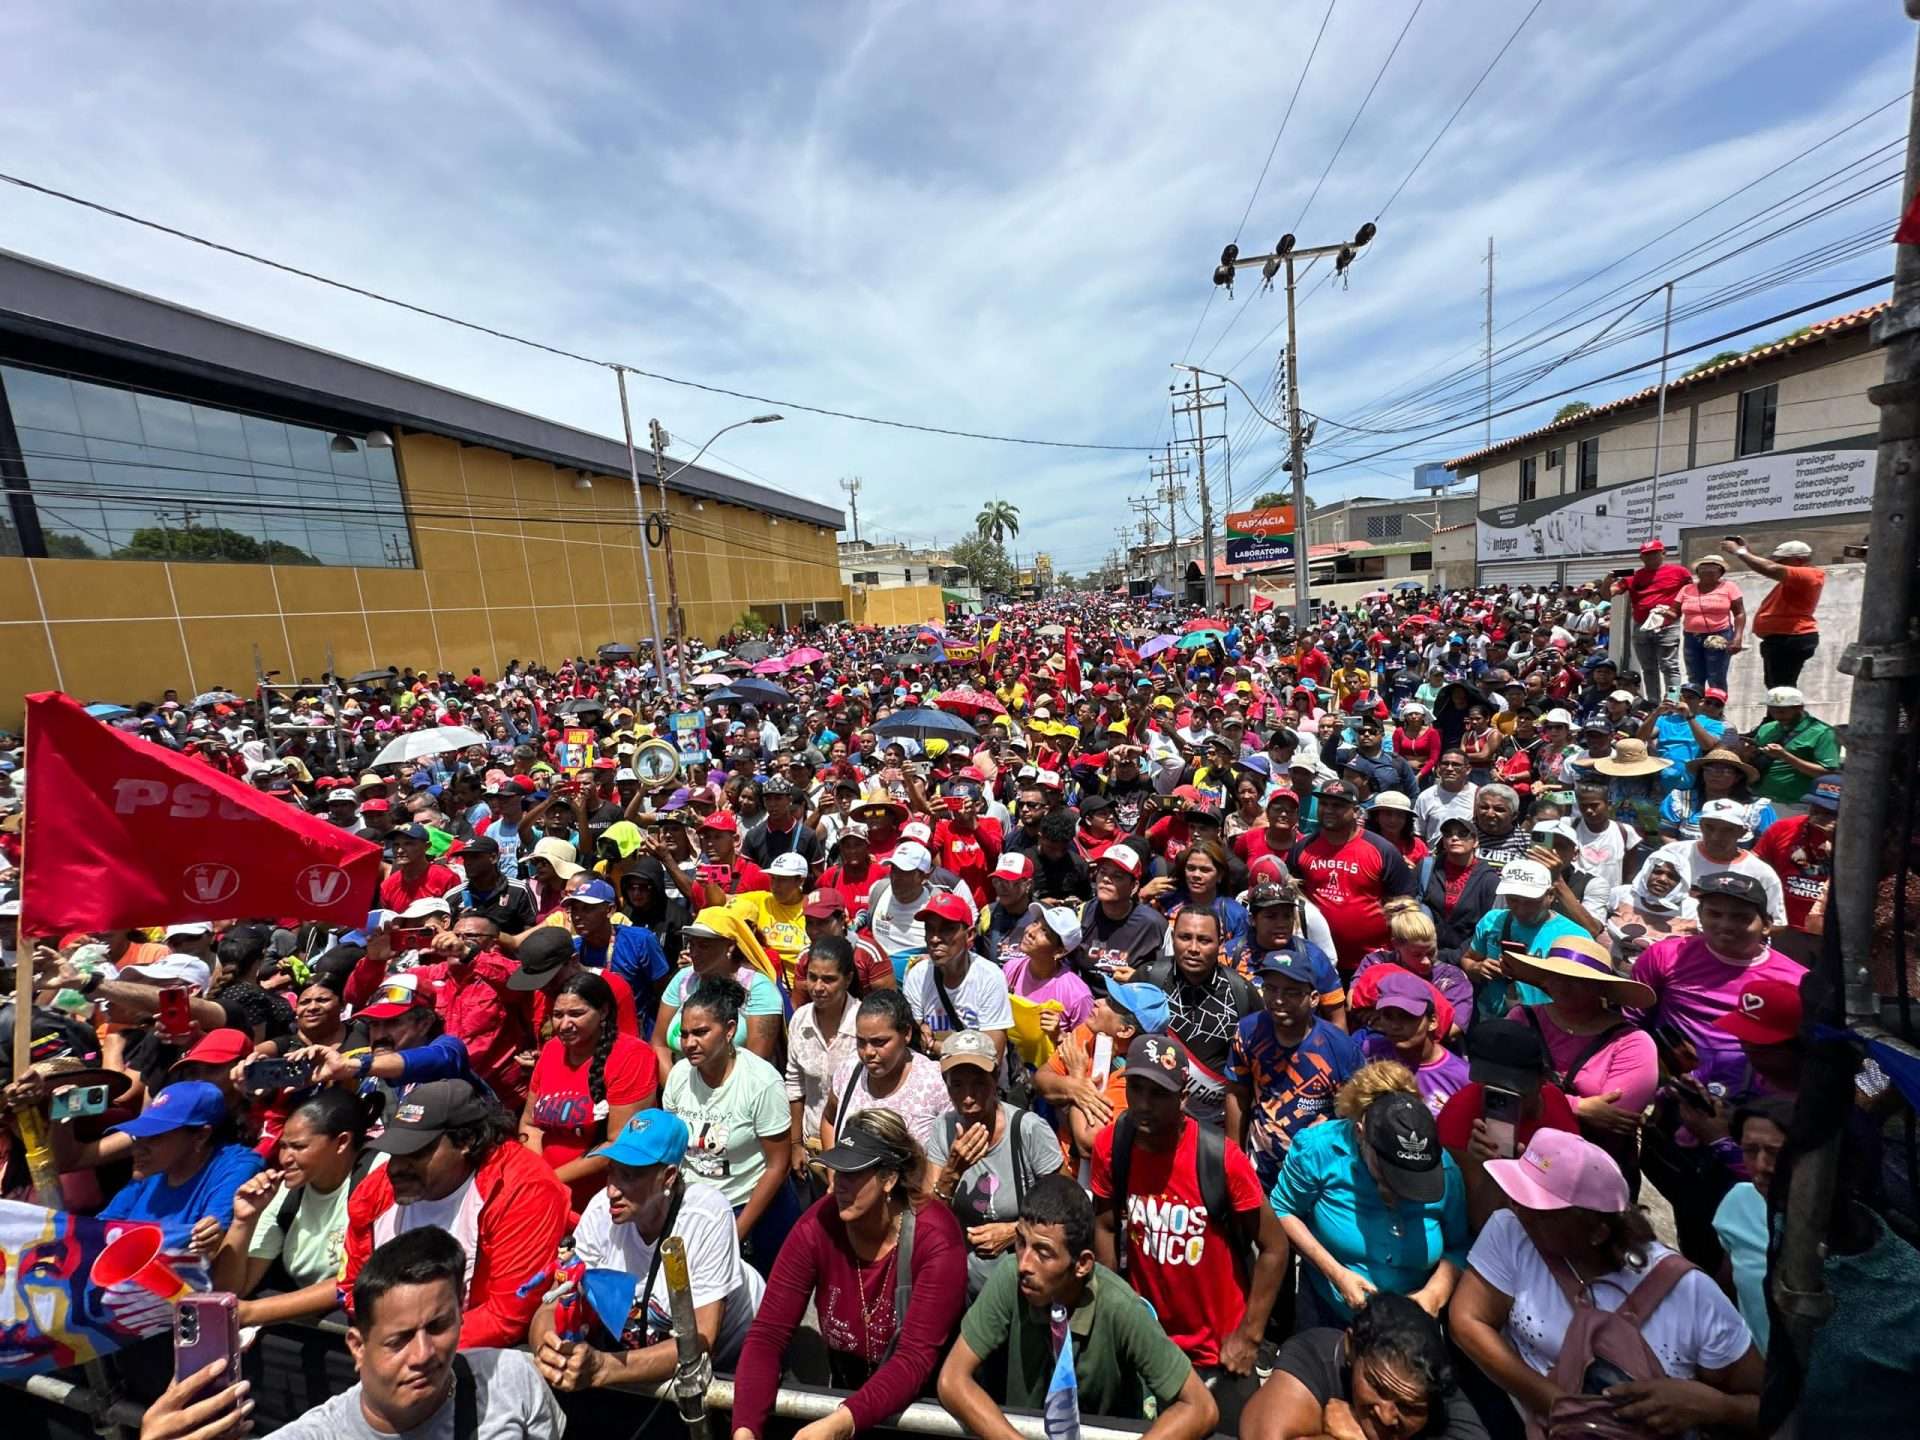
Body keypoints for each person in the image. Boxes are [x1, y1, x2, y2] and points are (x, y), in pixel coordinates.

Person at [1449, 1129, 1760, 1435]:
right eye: (1519, 1195)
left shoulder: (1691, 1294)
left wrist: (1714, 1407)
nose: (1518, 1208)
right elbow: (1468, 1320)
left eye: (1540, 1210)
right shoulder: (1512, 1230)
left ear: (1597, 1232)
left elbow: (1763, 1406)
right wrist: (1561, 1406)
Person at [730, 1109, 969, 1440]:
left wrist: (837, 1424)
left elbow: (914, 1359)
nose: (839, 1184)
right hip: (849, 1397)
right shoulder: (818, 1225)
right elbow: (768, 1334)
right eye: (838, 1170)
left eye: (854, 1173)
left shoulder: (937, 1238)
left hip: (924, 1410)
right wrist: (745, 1429)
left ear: (889, 1179)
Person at [1091, 1034, 1289, 1430]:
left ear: (1183, 1097)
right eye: (1136, 1088)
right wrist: (1115, 1314)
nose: (1144, 1105)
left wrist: (1250, 1335)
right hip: (1148, 1345)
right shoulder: (1113, 1144)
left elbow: (1274, 1247)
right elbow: (1105, 1225)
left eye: (1159, 1093)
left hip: (1219, 1352)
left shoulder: (1221, 1159)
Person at [939, 1173, 1218, 1440]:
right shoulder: (1009, 1279)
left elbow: (1201, 1408)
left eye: (1043, 1253)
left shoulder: (1121, 1307)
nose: (1024, 1264)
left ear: (1083, 1264)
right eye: (1021, 1242)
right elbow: (952, 1380)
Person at [242, 1226, 564, 1440]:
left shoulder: (514, 1379)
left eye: (439, 1327)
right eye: (399, 1340)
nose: (423, 1354)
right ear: (357, 1347)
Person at [530, 1109, 763, 1395]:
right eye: (611, 1171)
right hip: (643, 1348)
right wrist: (547, 1347)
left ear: (668, 1176)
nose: (612, 1190)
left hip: (736, 1353)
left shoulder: (707, 1215)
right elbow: (553, 1300)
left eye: (629, 1176)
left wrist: (604, 1367)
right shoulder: (600, 1209)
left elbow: (702, 1338)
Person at [342, 1078, 571, 1349]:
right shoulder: (376, 1191)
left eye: (416, 1151)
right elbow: (353, 1290)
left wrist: (405, 1346)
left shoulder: (525, 1189)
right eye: (394, 1151)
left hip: (486, 1354)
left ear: (466, 1142)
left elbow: (506, 1317)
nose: (397, 1167)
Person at [1270, 1064, 1469, 1329]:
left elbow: (1459, 1245)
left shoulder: (1443, 1170)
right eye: (1387, 1170)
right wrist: (1335, 1272)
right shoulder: (1318, 1150)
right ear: (1361, 1134)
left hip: (1409, 1325)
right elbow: (1283, 1210)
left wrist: (1433, 1296)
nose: (1399, 1186)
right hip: (1328, 1312)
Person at [662, 975, 799, 1275]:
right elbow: (672, 1148)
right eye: (684, 1034)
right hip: (695, 1209)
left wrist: (736, 1232)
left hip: (753, 1213)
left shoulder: (761, 1083)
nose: (689, 1043)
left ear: (729, 1031)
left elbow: (778, 1165)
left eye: (701, 1032)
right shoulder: (679, 1075)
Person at [209, 1088, 376, 1326]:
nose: (285, 1157)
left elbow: (356, 1279)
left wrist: (252, 1313)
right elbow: (230, 1290)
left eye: (298, 1147)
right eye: (284, 1146)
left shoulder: (377, 1178)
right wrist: (243, 1220)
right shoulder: (285, 1193)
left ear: (341, 1142)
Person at [1241, 1292, 1491, 1440]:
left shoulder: (1450, 1412)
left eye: (1407, 1407)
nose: (1386, 1415)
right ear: (1351, 1347)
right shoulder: (1319, 1355)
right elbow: (1258, 1434)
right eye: (1378, 1387)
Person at [1502, 935, 1659, 1170]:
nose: (1564, 985)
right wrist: (1579, 1108)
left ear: (1601, 987)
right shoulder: (1521, 1019)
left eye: (1578, 980)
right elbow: (1498, 1090)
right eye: (1557, 976)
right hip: (1517, 1157)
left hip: (1591, 1170)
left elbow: (1613, 1119)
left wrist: (1530, 1100)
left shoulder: (1632, 1043)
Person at [926, 1029, 1064, 1295]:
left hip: (1022, 1285)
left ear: (995, 1078)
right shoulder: (943, 1129)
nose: (968, 1096)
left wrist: (1017, 1230)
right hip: (959, 1283)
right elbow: (927, 1219)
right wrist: (952, 1172)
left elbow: (1066, 1207)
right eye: (957, 1084)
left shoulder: (1028, 1130)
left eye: (978, 1083)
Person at [1225, 946, 1363, 1192]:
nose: (1278, 1000)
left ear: (1313, 999)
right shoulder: (1248, 1032)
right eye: (1271, 989)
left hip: (1321, 1176)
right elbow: (1237, 1093)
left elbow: (1355, 1114)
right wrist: (1233, 1159)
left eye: (1291, 992)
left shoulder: (1340, 1048)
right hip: (1261, 1173)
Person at [520, 970, 658, 1210]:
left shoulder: (632, 1056)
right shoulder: (552, 1050)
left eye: (576, 1014)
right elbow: (529, 1124)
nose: (564, 1024)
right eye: (557, 1015)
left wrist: (548, 1180)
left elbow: (618, 1144)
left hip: (605, 1202)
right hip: (545, 1194)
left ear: (603, 1012)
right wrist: (537, 1174)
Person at [100, 1080, 267, 1246]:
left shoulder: (237, 1166)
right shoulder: (150, 1169)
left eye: (155, 1136)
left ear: (201, 1136)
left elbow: (207, 1248)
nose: (137, 1149)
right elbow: (101, 1231)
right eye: (138, 1137)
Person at [1290, 779, 1416, 971]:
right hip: (1316, 961)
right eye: (1324, 804)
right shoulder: (1303, 848)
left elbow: (1404, 907)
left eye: (1338, 805)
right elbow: (1293, 897)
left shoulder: (1382, 850)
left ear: (1356, 811)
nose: (1329, 810)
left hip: (1372, 962)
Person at [651, 908, 786, 1077]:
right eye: (691, 943)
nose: (694, 952)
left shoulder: (759, 989)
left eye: (704, 945)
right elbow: (659, 1044)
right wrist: (675, 1091)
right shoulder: (683, 979)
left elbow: (756, 1063)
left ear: (730, 945)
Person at [822, 988, 952, 1148]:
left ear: (906, 1034)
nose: (868, 1052)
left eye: (880, 1042)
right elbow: (829, 1119)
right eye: (861, 1042)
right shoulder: (848, 1071)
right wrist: (833, 1171)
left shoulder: (936, 1083)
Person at [1457, 858, 1583, 1023]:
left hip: (1545, 1027)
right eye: (1513, 900)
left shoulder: (1574, 936)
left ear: (1550, 895)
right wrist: (1477, 968)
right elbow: (1468, 959)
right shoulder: (1493, 921)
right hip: (1490, 1019)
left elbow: (1581, 994)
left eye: (1531, 902)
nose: (1521, 909)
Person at [1711, 1097, 1790, 1356]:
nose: (1761, 1166)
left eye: (1776, 1153)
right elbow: (1726, 1289)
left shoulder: (1846, 1227)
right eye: (1750, 1150)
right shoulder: (1740, 1201)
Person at [903, 891, 1014, 1060]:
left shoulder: (989, 977)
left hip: (978, 1081)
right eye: (929, 929)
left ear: (969, 935)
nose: (934, 939)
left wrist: (937, 1046)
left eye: (946, 930)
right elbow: (913, 1038)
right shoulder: (918, 975)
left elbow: (993, 1057)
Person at [787, 933, 862, 1177]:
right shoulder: (799, 1019)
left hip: (857, 1148)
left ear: (848, 979)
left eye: (828, 980)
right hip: (813, 1145)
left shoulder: (863, 1021)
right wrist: (795, 1144)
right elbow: (795, 1085)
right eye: (812, 978)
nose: (818, 988)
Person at [1644, 801, 1787, 926]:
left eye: (1728, 830)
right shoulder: (1673, 852)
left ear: (1743, 833)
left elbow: (1776, 924)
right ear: (1701, 825)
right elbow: (1641, 893)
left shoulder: (1761, 873)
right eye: (1710, 827)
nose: (1716, 836)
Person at [1751, 771, 1839, 965]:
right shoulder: (1783, 828)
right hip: (1786, 928)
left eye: (1830, 811)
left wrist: (1839, 842)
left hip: (1834, 931)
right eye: (1816, 807)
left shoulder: (1858, 839)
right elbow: (1755, 868)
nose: (1820, 815)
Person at [1722, 534, 1823, 687]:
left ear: (1798, 560)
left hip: (1790, 638)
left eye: (1782, 562)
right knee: (1777, 686)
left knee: (1781, 689)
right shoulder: (1796, 578)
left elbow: (1769, 568)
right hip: (1784, 639)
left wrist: (1739, 552)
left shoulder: (1808, 574)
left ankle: (1786, 711)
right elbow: (1768, 566)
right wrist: (1746, 550)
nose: (1778, 564)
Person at [1360, 973, 1468, 1116]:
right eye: (1388, 1016)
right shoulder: (1368, 1053)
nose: (1395, 1026)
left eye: (1407, 1016)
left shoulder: (1462, 1077)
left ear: (1433, 1021)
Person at [1612, 539, 1690, 701]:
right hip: (1641, 626)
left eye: (1654, 554)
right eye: (1646, 555)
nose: (1650, 558)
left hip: (1667, 625)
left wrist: (1677, 611)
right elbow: (1610, 593)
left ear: (1663, 553)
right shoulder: (1634, 576)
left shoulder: (1679, 572)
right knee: (1648, 668)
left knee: (1670, 666)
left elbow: (1691, 592)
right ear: (1641, 558)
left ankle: (1673, 700)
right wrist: (1608, 580)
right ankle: (1653, 702)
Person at [1077, 843, 1168, 979]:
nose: (1106, 879)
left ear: (1134, 886)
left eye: (1117, 876)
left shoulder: (1154, 925)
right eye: (1103, 872)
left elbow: (1167, 974)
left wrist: (1139, 978)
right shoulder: (1081, 914)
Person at [1748, 686, 1842, 811]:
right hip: (1759, 798)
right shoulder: (1767, 728)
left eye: (1782, 711)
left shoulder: (1824, 733)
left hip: (1795, 803)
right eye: (1773, 710)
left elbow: (1826, 773)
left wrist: (1785, 756)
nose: (1777, 716)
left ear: (1799, 708)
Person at [1674, 555, 1746, 691]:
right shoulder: (1686, 589)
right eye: (1704, 568)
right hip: (1692, 637)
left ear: (1721, 572)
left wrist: (1737, 638)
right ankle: (1695, 709)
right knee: (1694, 677)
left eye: (1713, 568)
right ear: (1697, 572)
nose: (1708, 571)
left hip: (1719, 636)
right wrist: (1662, 615)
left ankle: (1716, 710)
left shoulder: (1729, 587)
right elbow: (1675, 612)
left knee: (1716, 677)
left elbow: (1739, 613)